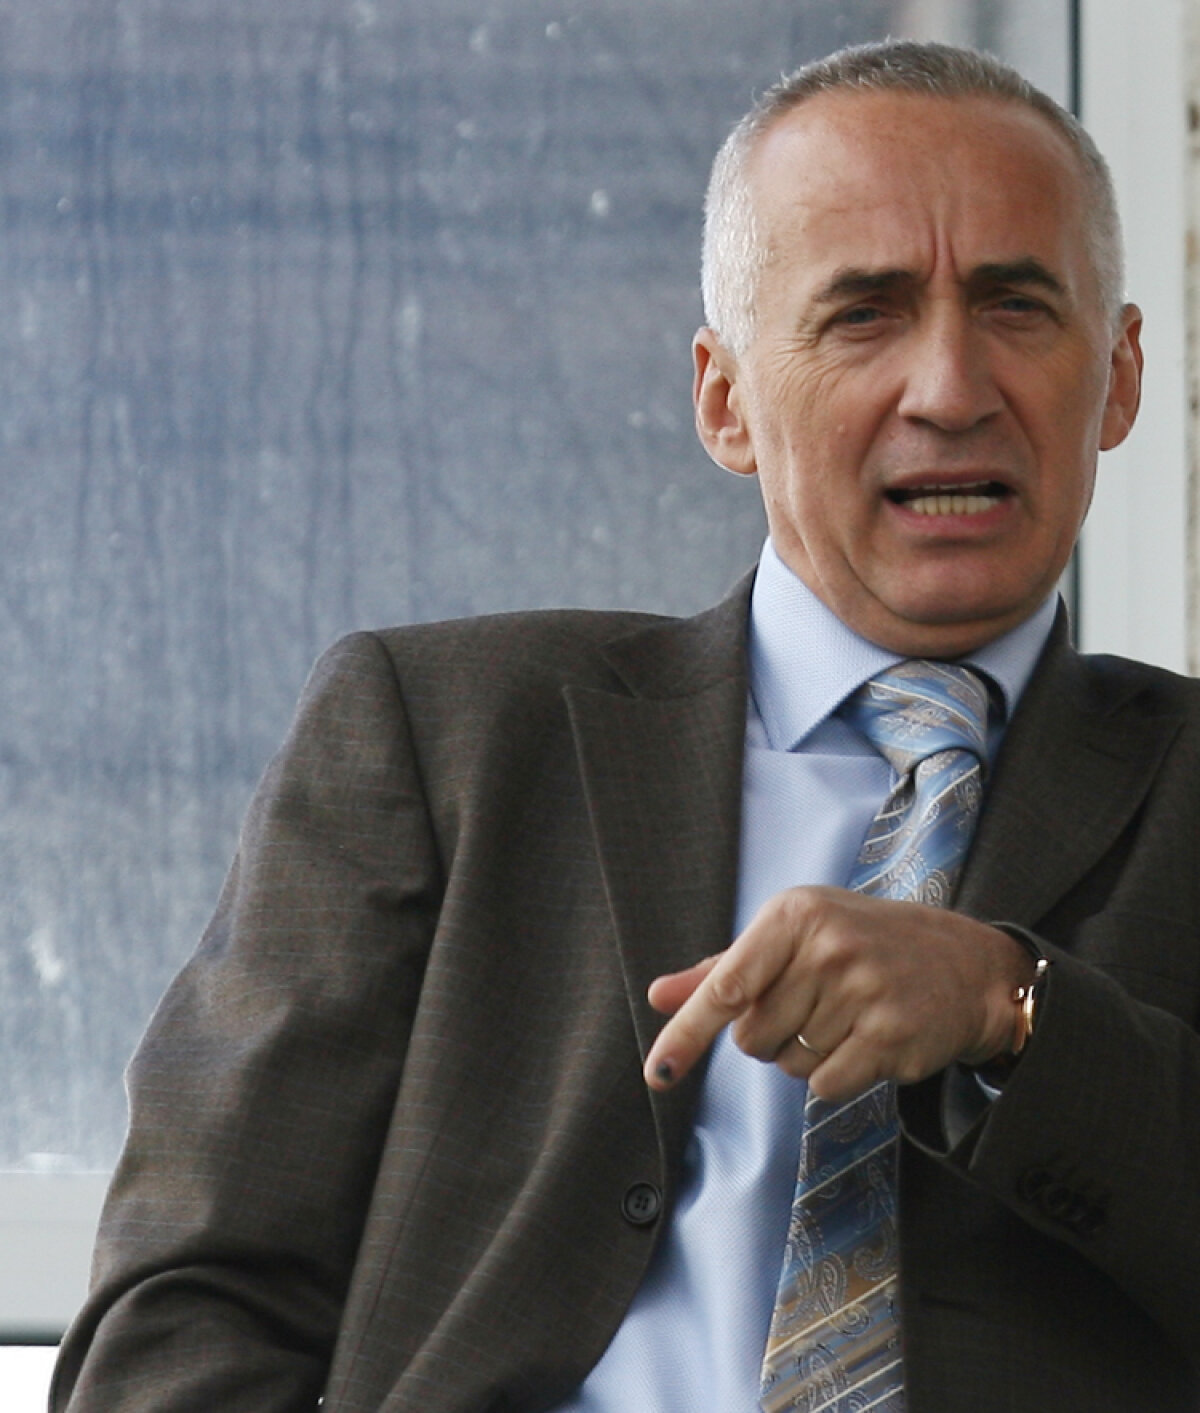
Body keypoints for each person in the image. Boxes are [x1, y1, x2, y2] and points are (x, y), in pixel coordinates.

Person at [51, 38, 1199, 1413]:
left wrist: (1011, 1009)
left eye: (1017, 307)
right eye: (864, 315)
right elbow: (183, 1311)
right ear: (726, 400)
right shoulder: (447, 737)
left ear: (1120, 375)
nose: (950, 389)